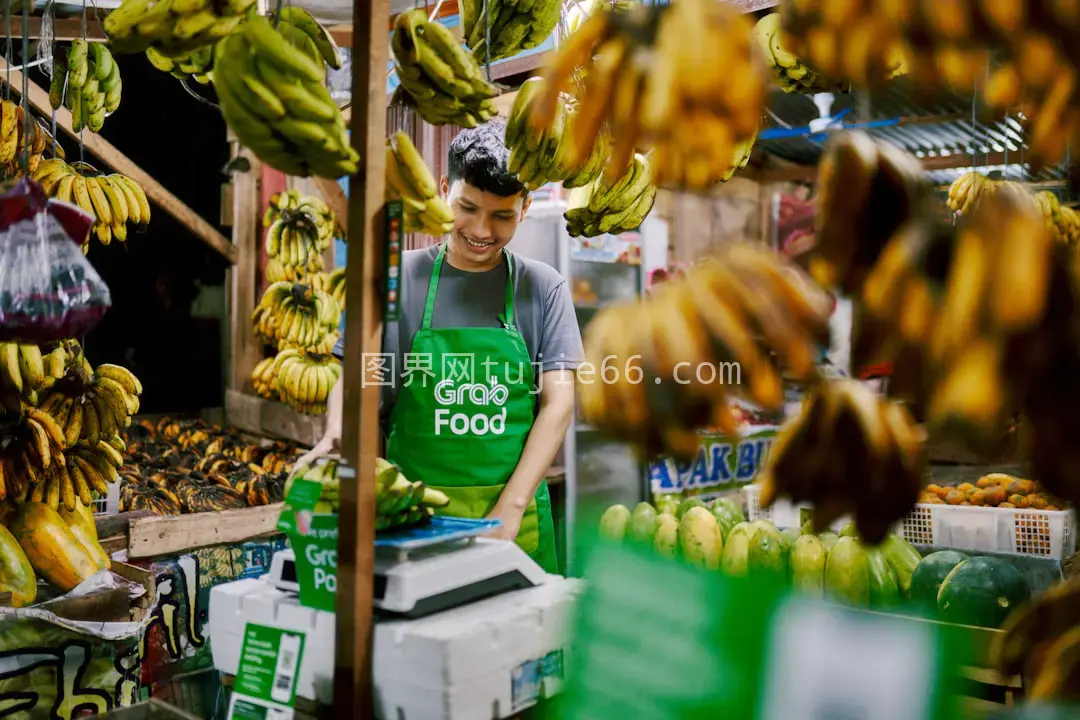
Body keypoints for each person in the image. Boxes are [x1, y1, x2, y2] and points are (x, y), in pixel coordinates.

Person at [298, 120, 583, 575]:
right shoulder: (395, 278)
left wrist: (509, 510)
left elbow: (559, 403)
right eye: (467, 208)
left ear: (525, 208)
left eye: (502, 215)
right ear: (445, 188)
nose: (481, 230)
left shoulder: (542, 288)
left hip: (515, 527)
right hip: (412, 523)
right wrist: (337, 427)